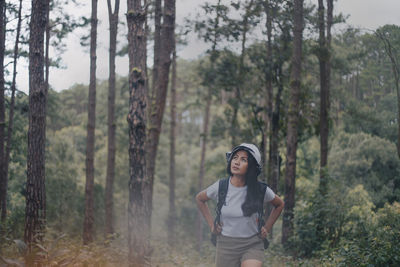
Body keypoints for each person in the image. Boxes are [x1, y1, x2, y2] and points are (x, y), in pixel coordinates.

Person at [196, 143, 284, 267]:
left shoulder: (260, 189)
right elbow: (200, 199)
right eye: (235, 157)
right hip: (226, 244)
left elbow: (279, 204)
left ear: (251, 166)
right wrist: (212, 226)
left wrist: (267, 228)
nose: (236, 162)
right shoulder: (221, 186)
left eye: (243, 160)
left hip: (252, 243)